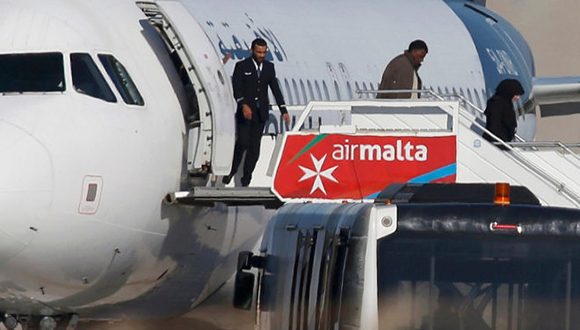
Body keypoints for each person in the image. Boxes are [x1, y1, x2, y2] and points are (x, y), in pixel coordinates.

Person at [222, 38, 290, 187]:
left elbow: (275, 89)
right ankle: (231, 171)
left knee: (254, 147)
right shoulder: (242, 66)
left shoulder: (269, 67)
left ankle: (246, 178)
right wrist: (243, 104)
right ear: (252, 50)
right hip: (245, 113)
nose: (261, 55)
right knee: (242, 142)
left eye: (264, 52)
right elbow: (237, 87)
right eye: (259, 52)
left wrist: (283, 109)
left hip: (260, 113)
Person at [482, 79, 524, 149]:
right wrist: (499, 143)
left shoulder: (506, 104)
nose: (518, 98)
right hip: (497, 144)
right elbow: (494, 125)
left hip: (503, 142)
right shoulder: (497, 104)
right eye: (516, 94)